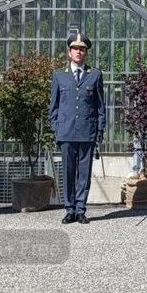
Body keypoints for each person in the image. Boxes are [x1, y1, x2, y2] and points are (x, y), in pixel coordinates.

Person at [49, 33, 105, 224]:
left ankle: (81, 209)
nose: (78, 52)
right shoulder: (59, 75)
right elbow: (54, 106)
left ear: (86, 53)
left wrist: (100, 129)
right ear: (69, 52)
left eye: (82, 49)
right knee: (68, 172)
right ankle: (69, 209)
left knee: (84, 174)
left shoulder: (95, 75)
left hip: (87, 131)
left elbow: (100, 106)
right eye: (75, 48)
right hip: (66, 132)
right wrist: (56, 128)